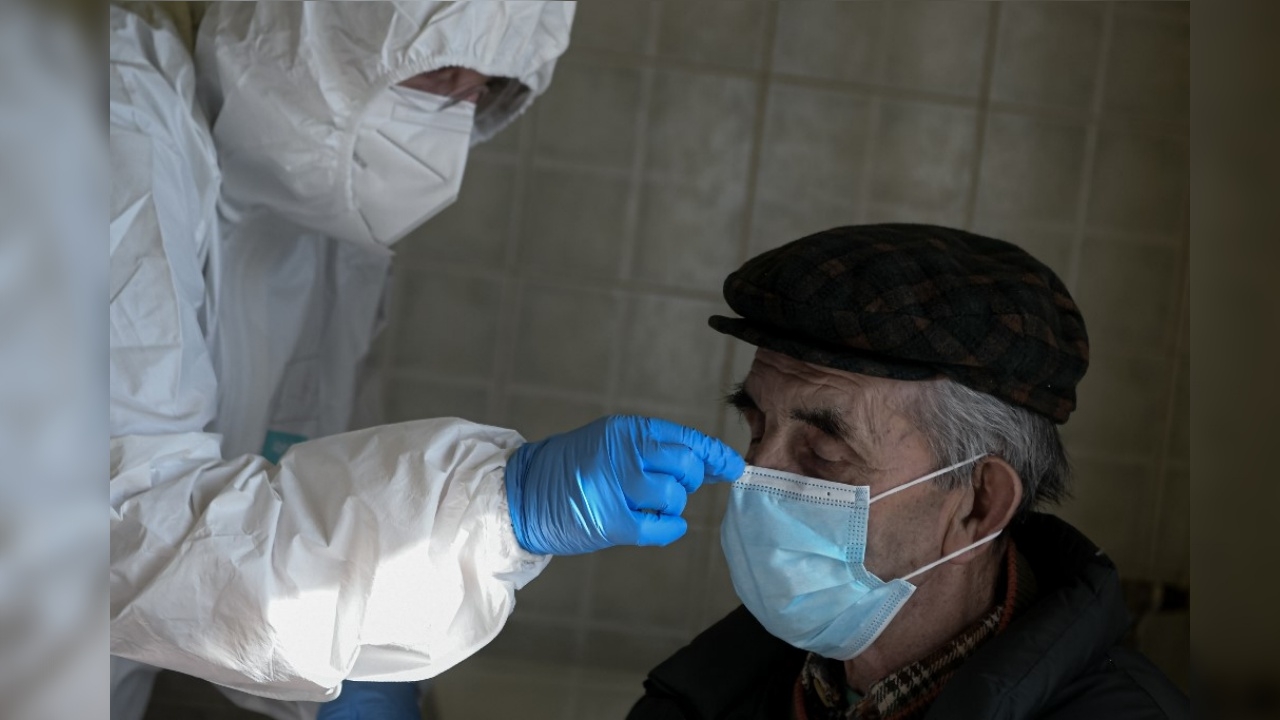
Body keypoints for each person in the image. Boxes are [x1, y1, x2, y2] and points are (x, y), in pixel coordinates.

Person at [109, 3, 743, 720]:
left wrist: (362, 659)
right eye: (440, 70)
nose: (448, 126)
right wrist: (498, 508)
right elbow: (121, 530)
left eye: (483, 88)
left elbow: (296, 458)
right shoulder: (99, 120)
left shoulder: (308, 179)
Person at [628, 224, 1189, 719]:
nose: (755, 476)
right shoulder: (704, 696)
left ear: (977, 508)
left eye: (824, 452)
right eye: (757, 428)